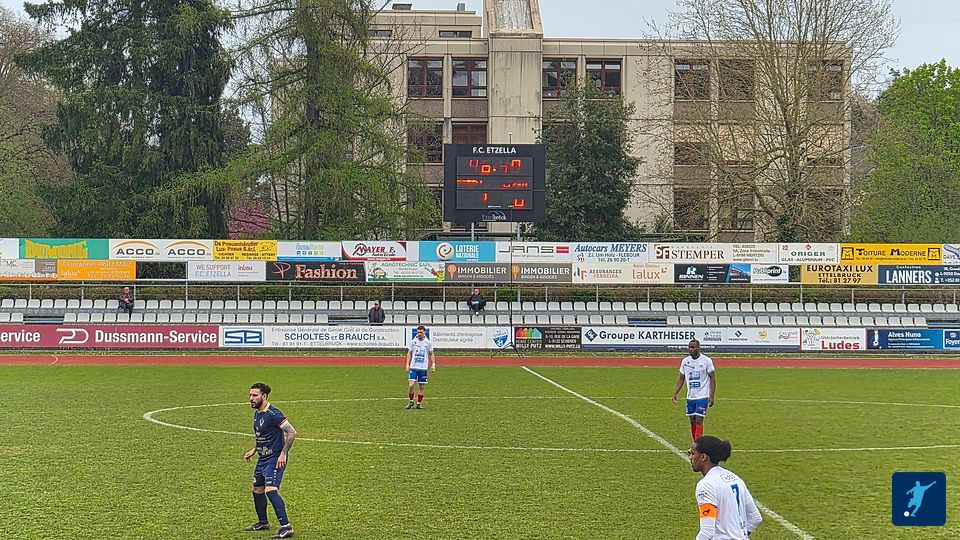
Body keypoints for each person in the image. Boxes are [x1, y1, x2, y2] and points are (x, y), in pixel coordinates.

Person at [243, 383, 297, 538]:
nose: (251, 398)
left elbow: (292, 432)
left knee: (271, 490)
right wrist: (254, 449)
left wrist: (283, 454)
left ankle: (286, 527)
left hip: (275, 458)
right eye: (250, 395)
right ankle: (263, 523)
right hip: (262, 458)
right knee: (257, 489)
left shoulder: (274, 414)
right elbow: (262, 435)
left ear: (264, 396)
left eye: (254, 395)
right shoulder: (257, 412)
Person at [688, 435, 762, 540]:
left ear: (703, 457)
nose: (690, 457)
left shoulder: (706, 485)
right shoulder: (735, 478)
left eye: (692, 453)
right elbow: (755, 518)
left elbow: (707, 531)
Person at [672, 339, 716, 441]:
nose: (690, 349)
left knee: (699, 420)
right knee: (692, 421)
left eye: (693, 347)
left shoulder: (706, 361)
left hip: (703, 396)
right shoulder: (685, 361)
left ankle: (697, 446)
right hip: (690, 396)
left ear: (698, 348)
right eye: (689, 347)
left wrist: (712, 395)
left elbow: (712, 377)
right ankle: (695, 442)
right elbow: (681, 378)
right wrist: (675, 393)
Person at [405, 325, 436, 409]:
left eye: (421, 332)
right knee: (411, 385)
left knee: (421, 387)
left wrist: (433, 364)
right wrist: (407, 364)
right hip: (414, 367)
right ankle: (411, 401)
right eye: (418, 332)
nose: (419, 334)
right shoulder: (413, 342)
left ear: (424, 332)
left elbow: (431, 354)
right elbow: (409, 353)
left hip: (423, 368)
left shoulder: (428, 343)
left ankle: (419, 403)